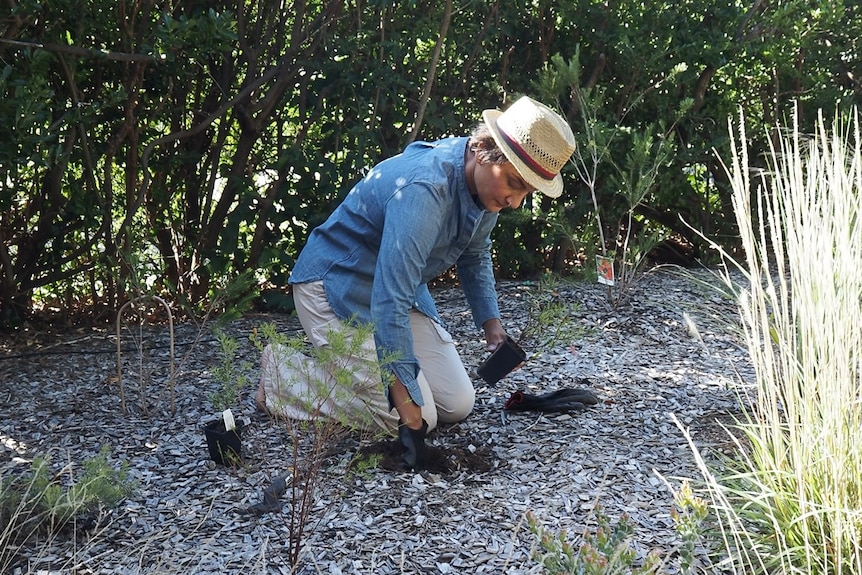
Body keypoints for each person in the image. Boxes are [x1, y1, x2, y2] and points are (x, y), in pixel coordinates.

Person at [256, 95, 576, 469]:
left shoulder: (484, 190)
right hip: (334, 288)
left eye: (526, 192)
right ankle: (283, 377)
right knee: (413, 416)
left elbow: (474, 254)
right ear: (483, 150)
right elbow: (388, 299)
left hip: (397, 291)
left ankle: (356, 372)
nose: (515, 201)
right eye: (514, 183)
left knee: (457, 404)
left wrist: (492, 327)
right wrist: (408, 416)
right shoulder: (425, 190)